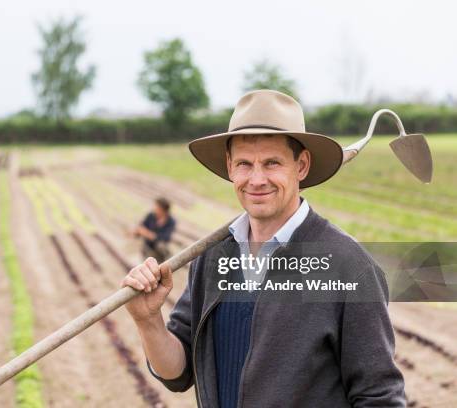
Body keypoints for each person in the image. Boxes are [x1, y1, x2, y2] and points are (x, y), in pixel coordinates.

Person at [121, 90, 406, 407]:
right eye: (244, 164)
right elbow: (178, 372)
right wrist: (148, 321)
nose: (256, 179)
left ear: (301, 166)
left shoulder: (348, 266)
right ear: (230, 167)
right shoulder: (213, 258)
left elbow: (379, 397)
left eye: (272, 163)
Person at [133, 197, 176, 264]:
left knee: (161, 245)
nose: (154, 208)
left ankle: (164, 260)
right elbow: (141, 227)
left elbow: (166, 237)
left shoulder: (171, 221)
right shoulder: (151, 216)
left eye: (157, 207)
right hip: (148, 245)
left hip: (160, 248)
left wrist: (149, 234)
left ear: (163, 210)